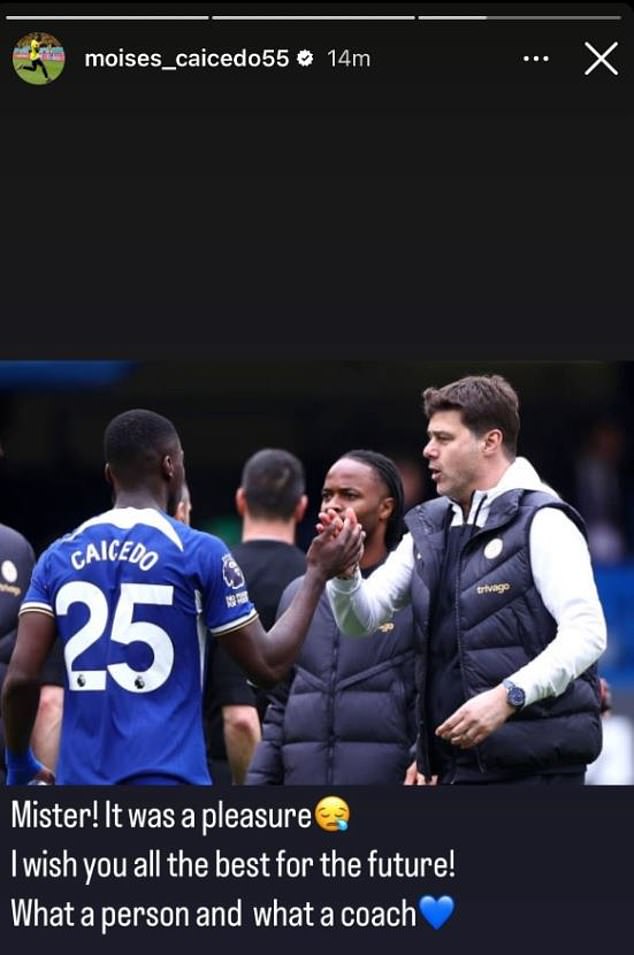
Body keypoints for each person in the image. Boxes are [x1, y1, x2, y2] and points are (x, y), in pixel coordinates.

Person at [1, 408, 363, 785]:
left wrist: (18, 760)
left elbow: (21, 680)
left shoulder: (57, 556)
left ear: (110, 475)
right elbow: (267, 666)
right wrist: (318, 573)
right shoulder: (199, 551)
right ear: (171, 466)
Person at [326, 374, 607, 785]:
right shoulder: (429, 525)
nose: (428, 450)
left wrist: (507, 696)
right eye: (429, 437)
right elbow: (361, 618)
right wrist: (344, 571)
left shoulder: (544, 520)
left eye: (443, 438)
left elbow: (587, 634)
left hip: (538, 770)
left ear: (490, 442)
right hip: (455, 769)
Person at [246, 450, 418, 785]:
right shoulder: (298, 592)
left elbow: (426, 704)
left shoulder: (413, 592)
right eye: (327, 495)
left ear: (386, 508)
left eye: (349, 495)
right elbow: (278, 707)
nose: (332, 505)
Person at [204, 448, 308, 783]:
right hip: (304, 769)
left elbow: (240, 719)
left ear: (240, 500)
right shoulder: (323, 581)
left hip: (221, 771)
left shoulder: (211, 576)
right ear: (302, 506)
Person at [172, 480, 261, 786]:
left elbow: (52, 703)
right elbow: (241, 718)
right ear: (182, 512)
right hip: (180, 771)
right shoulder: (209, 561)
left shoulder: (68, 558)